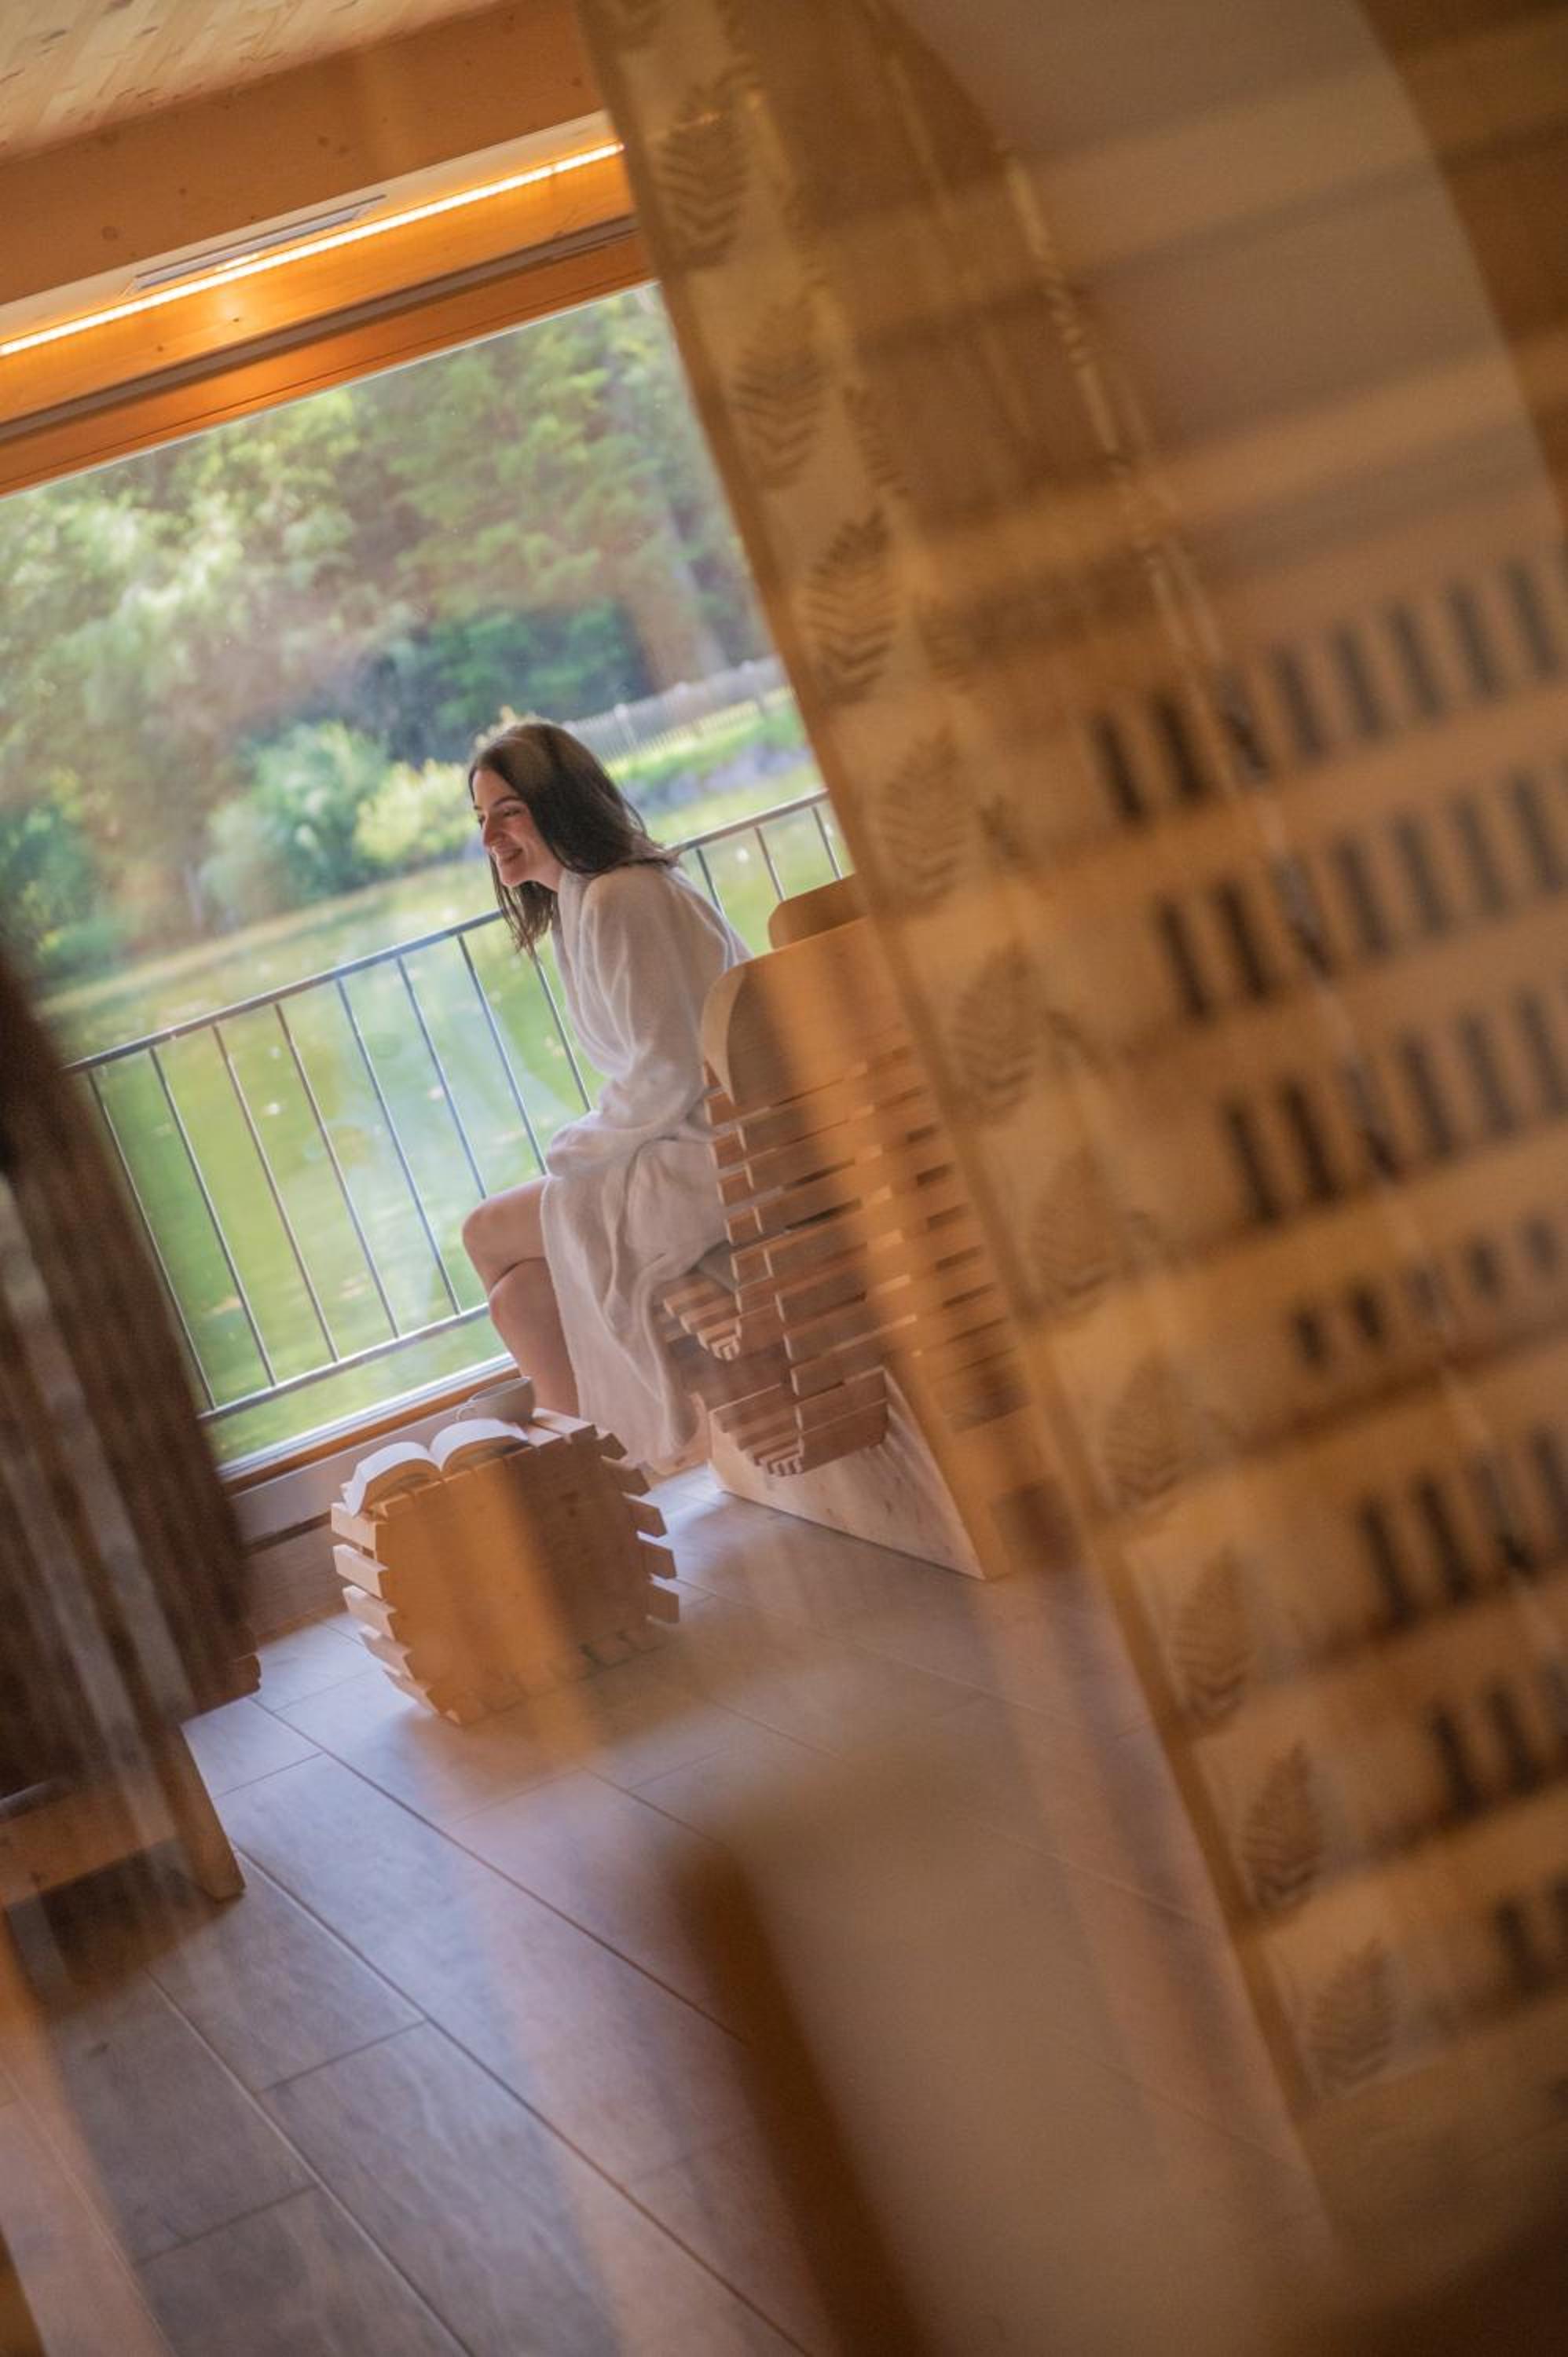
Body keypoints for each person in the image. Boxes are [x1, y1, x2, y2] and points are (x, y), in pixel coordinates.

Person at [460, 719, 748, 1472]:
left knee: (486, 1233)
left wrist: (575, 1152)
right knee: (518, 1298)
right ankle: (588, 1471)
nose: (489, 837)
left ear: (559, 806)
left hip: (717, 1154)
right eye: (482, 818)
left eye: (508, 812)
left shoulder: (623, 897)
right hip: (689, 1142)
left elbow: (667, 1074)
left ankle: (588, 1469)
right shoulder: (582, 903)